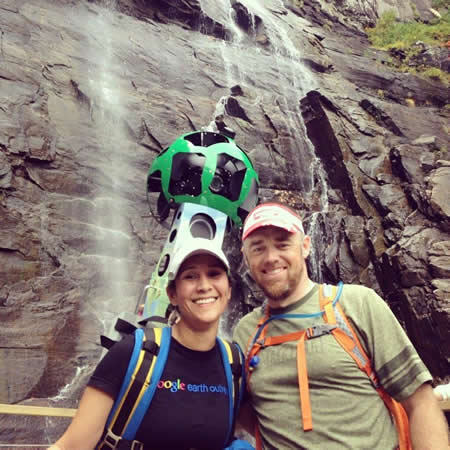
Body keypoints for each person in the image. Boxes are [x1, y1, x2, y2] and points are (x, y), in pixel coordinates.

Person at [232, 202, 448, 449]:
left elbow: (420, 402)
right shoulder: (245, 333)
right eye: (258, 248)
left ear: (305, 246)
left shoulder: (357, 304)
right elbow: (245, 413)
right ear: (246, 257)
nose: (271, 258)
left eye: (283, 244)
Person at [49, 238, 240, 450]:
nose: (204, 286)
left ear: (229, 289)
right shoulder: (134, 352)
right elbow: (70, 446)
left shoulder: (234, 365)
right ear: (172, 294)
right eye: (190, 276)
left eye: (214, 274)